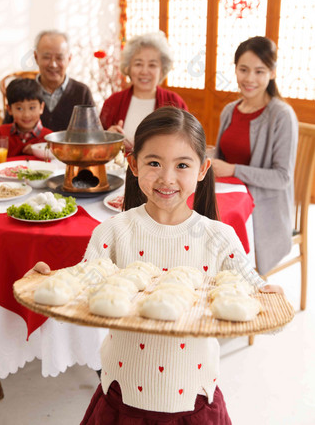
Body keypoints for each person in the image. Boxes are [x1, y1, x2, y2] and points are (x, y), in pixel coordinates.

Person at [31, 107, 282, 423]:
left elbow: (250, 285)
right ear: (133, 165)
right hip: (123, 398)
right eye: (154, 163)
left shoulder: (219, 237)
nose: (167, 178)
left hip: (193, 397)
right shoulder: (114, 231)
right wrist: (48, 280)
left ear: (202, 169)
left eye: (182, 165)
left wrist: (265, 291)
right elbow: (84, 282)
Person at [212, 36, 298, 276]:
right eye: (243, 69)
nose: (249, 79)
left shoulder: (281, 115)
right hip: (227, 198)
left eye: (259, 71)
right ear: (235, 70)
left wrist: (234, 170)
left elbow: (282, 178)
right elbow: (219, 157)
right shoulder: (230, 110)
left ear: (272, 73)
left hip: (261, 209)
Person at [100, 32, 188, 150]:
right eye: (138, 64)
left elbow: (187, 144)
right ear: (128, 68)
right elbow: (97, 145)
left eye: (152, 65)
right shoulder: (113, 102)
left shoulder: (174, 102)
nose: (144, 71)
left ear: (162, 70)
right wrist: (108, 138)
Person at [4, 30, 95, 131]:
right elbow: (6, 132)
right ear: (36, 57)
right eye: (46, 57)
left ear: (69, 59)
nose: (53, 64)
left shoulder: (82, 92)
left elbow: (94, 134)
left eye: (59, 58)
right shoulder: (23, 91)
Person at [0, 78, 52, 161]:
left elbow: (54, 164)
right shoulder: (0, 132)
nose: (26, 115)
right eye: (19, 108)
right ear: (9, 110)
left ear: (41, 108)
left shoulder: (49, 138)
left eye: (32, 108)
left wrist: (38, 152)